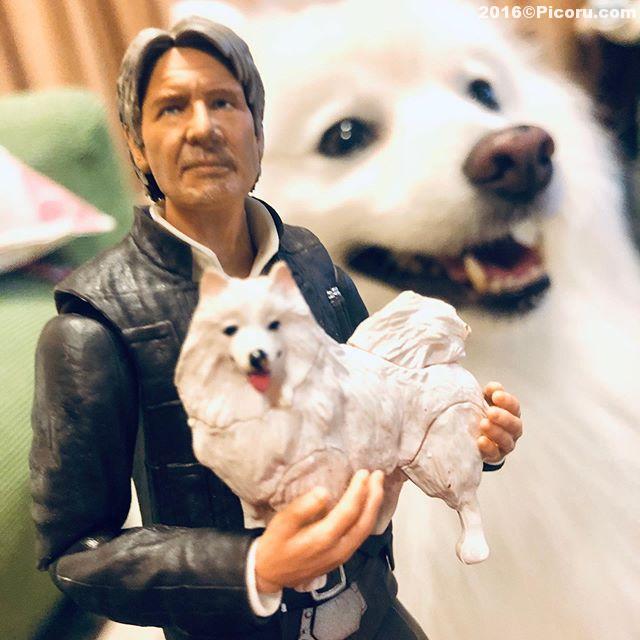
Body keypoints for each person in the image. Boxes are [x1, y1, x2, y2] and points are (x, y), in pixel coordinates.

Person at [29, 17, 523, 640]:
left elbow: (387, 412)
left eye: (223, 102)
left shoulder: (313, 266)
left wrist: (469, 434)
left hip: (370, 610)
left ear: (257, 132)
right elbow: (74, 553)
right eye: (173, 108)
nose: (203, 127)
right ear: (137, 144)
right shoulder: (96, 324)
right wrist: (253, 566)